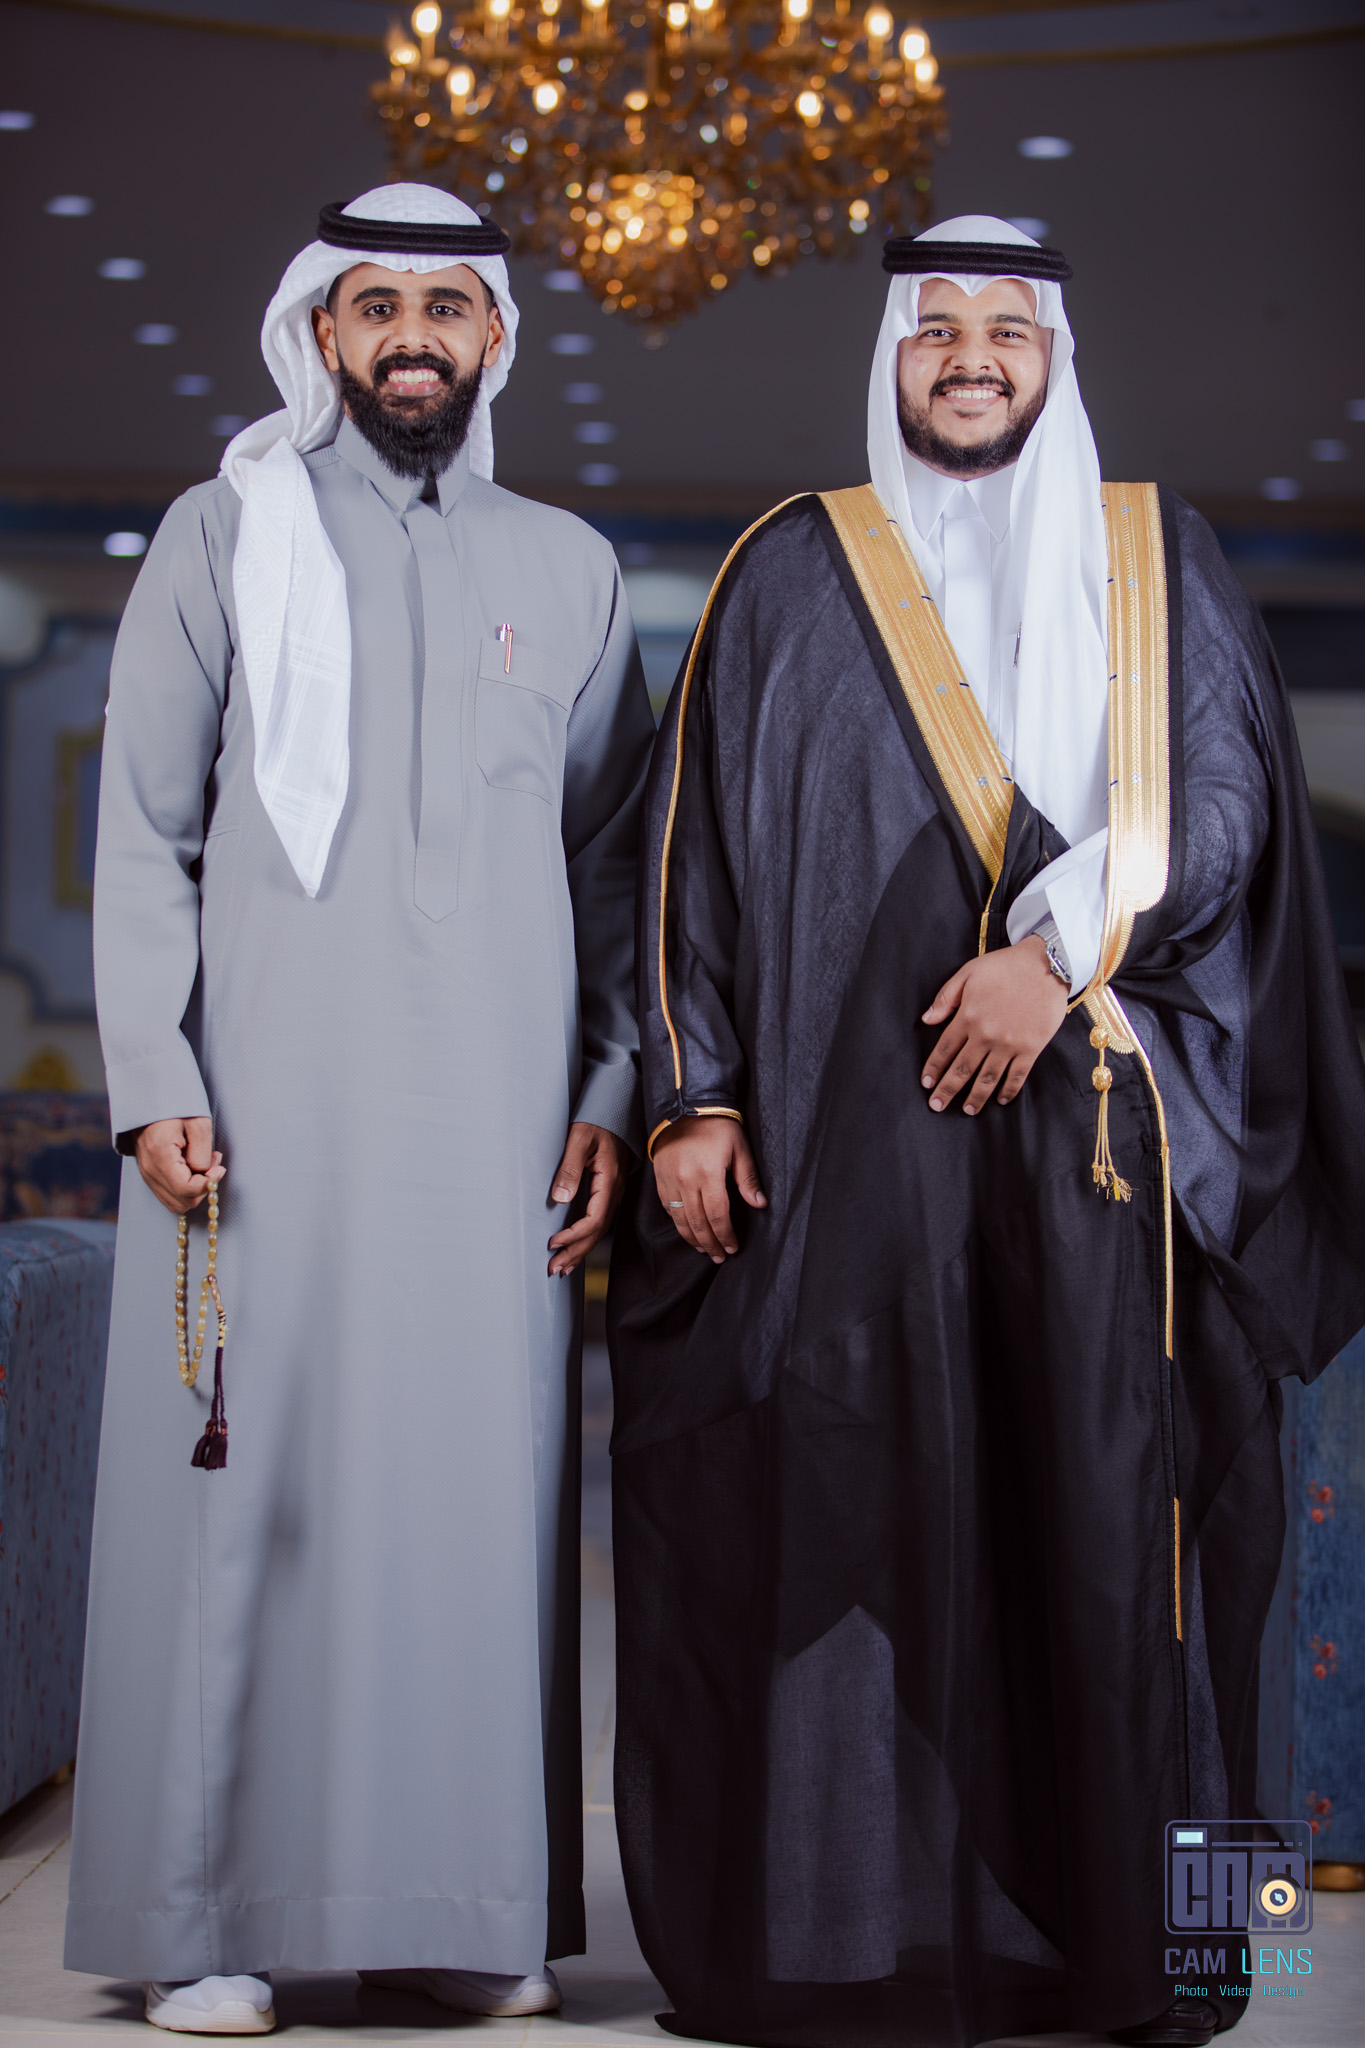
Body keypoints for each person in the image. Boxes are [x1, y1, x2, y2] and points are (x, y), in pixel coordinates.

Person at [607, 217, 1365, 2048]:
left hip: (1105, 1151)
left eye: (1004, 330)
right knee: (846, 1515)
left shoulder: (1154, 552)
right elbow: (688, 854)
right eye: (934, 325)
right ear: (890, 353)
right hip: (840, 1159)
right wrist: (695, 1096)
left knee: (1153, 1553)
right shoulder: (787, 565)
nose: (968, 354)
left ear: (1053, 359)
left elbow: (1226, 811)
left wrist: (1049, 956)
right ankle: (838, 1952)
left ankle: (1200, 1961)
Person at [65, 185, 654, 2035]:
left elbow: (618, 866)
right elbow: (143, 829)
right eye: (375, 303)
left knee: (473, 1515)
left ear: (494, 338)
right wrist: (153, 1077)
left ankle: (461, 1911)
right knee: (251, 1506)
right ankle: (207, 1923)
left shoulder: (568, 568)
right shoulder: (221, 531)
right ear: (321, 331)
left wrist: (613, 1090)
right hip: (250, 1122)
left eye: (445, 306)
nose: (412, 335)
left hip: (497, 1134)